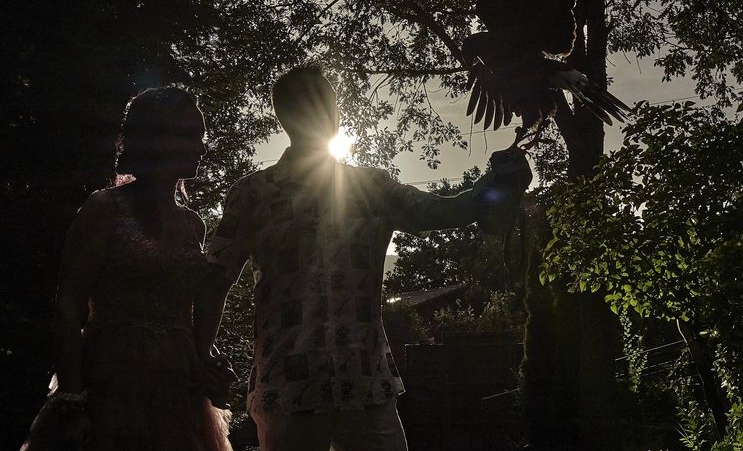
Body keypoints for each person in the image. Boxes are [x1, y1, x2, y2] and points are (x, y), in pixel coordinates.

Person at [204, 63, 531, 451]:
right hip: (299, 387)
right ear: (290, 116)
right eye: (323, 103)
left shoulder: (347, 187)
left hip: (347, 383)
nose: (330, 112)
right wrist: (200, 350)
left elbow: (443, 210)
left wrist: (496, 186)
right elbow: (213, 280)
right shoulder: (255, 195)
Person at [21, 87, 233, 451]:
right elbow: (70, 304)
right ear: (159, 139)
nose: (202, 148)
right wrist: (72, 397)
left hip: (178, 383)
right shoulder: (105, 209)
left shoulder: (192, 224)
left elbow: (190, 312)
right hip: (113, 377)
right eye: (191, 136)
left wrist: (208, 362)